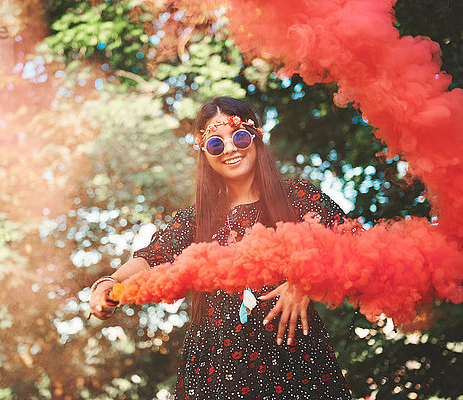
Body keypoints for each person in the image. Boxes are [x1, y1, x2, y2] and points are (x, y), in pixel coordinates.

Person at [89, 97, 352, 399]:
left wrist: (305, 280)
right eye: (216, 143)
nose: (229, 149)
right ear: (205, 151)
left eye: (238, 137)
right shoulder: (196, 219)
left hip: (296, 367)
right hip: (215, 372)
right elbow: (151, 258)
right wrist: (110, 281)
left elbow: (353, 245)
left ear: (256, 138)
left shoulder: (299, 197)